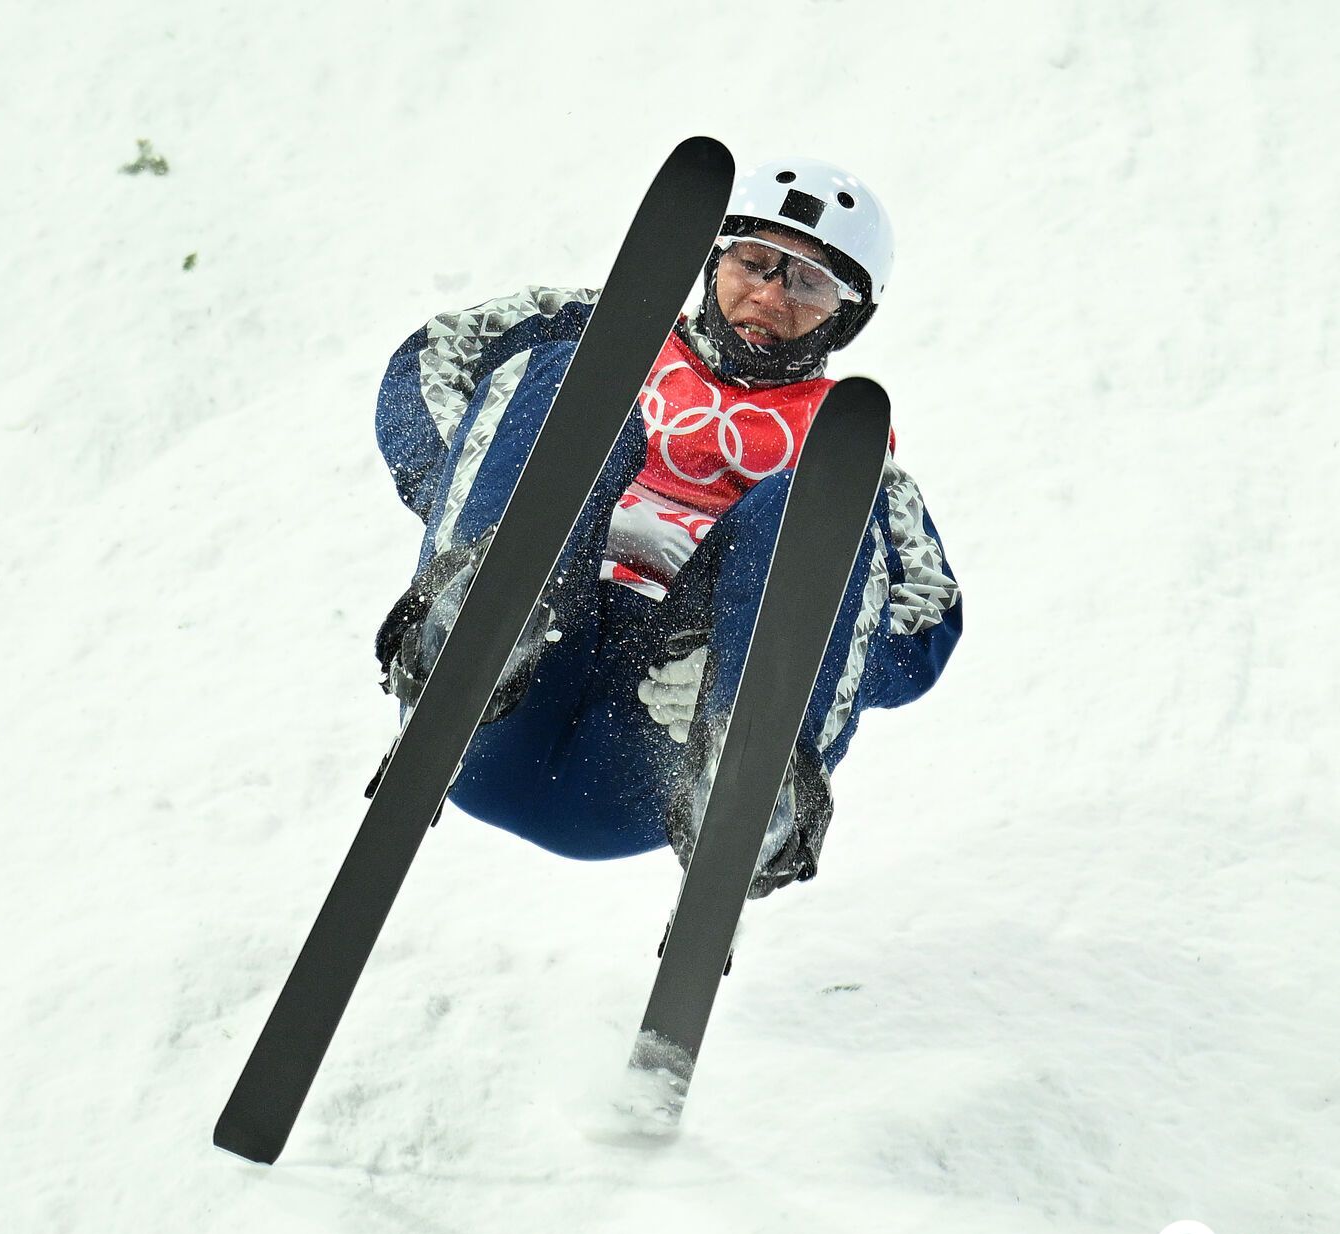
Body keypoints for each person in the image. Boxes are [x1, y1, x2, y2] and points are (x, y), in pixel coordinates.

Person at [369, 156, 961, 896]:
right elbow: (429, 365)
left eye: (808, 282)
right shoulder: (609, 327)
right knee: (567, 383)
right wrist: (469, 487)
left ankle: (750, 774)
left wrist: (765, 670)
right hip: (519, 671)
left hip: (654, 739)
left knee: (802, 508)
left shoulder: (850, 457)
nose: (770, 293)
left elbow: (924, 620)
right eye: (755, 261)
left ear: (848, 315)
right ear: (714, 261)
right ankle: (480, 618)